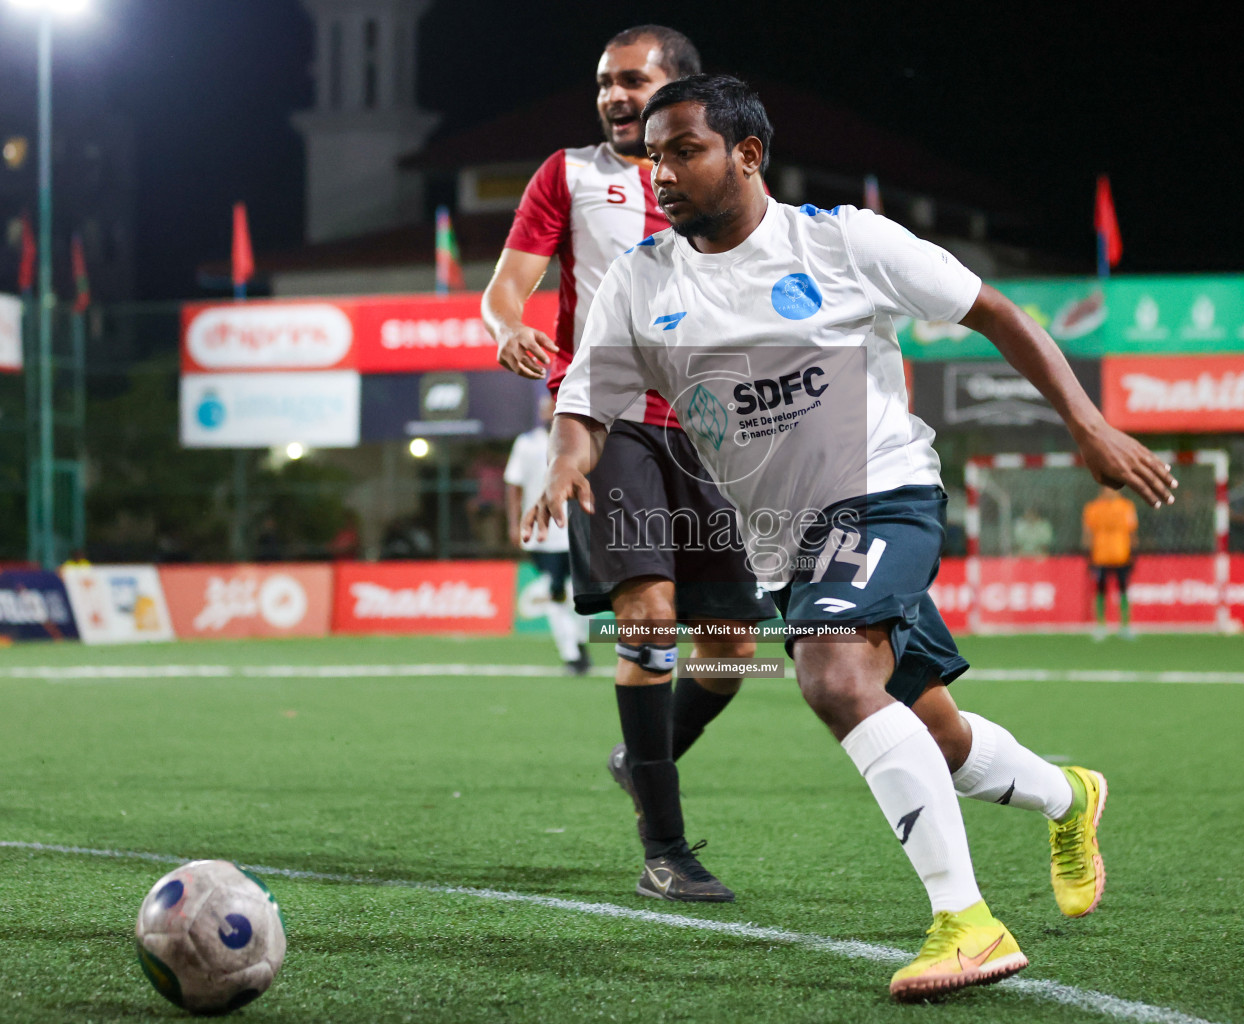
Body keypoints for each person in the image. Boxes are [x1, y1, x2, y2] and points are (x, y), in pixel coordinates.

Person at [525, 75, 1178, 999]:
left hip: (882, 496)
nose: (660, 173)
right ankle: (1071, 796)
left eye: (683, 151)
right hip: (785, 545)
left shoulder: (841, 241)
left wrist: (1087, 425)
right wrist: (567, 460)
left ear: (747, 154)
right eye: (652, 156)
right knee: (934, 733)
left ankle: (967, 922)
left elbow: (993, 309)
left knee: (831, 674)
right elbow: (586, 402)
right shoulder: (642, 279)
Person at [483, 26, 775, 902]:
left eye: (632, 81)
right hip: (606, 420)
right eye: (605, 83)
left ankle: (642, 757)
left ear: (680, 91)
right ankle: (665, 849)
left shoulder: (718, 178)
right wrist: (509, 328)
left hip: (715, 428)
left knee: (728, 649)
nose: (613, 96)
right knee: (647, 616)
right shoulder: (565, 177)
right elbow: (509, 283)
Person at [505, 397, 590, 675]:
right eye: (544, 409)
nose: (548, 413)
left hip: (576, 531)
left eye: (553, 408)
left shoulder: (578, 441)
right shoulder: (526, 444)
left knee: (576, 594)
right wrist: (514, 524)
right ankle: (573, 654)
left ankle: (576, 646)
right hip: (544, 534)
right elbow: (513, 486)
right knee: (554, 591)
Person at [1082, 486, 1138, 640]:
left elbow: (1132, 531)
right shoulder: (1093, 508)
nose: (1110, 492)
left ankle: (1125, 626)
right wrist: (1088, 554)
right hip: (1100, 556)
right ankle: (1101, 626)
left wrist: (1134, 553)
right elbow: (1088, 532)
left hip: (1122, 555)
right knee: (1100, 590)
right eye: (1107, 489)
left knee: (1124, 590)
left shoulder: (1126, 506)